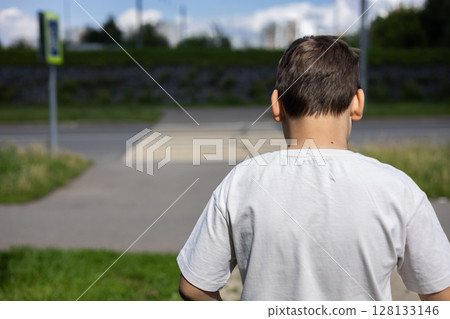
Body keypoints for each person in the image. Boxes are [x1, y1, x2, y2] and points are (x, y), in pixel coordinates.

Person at [176, 35, 450, 301]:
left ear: (276, 105)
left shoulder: (241, 181)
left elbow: (194, 287)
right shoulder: (397, 188)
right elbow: (442, 293)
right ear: (357, 104)